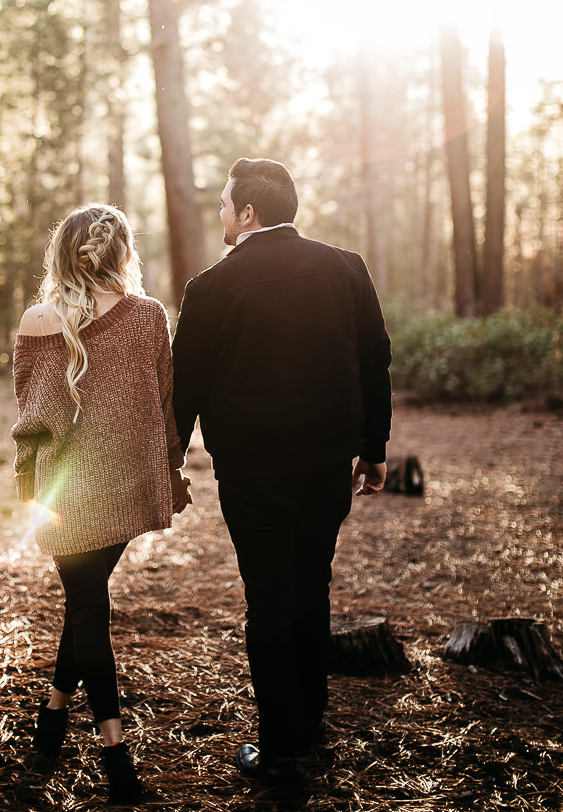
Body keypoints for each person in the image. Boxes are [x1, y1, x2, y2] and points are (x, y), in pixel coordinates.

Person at [172, 158, 392, 786]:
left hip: (252, 475)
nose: (219, 216)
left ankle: (279, 749)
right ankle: (311, 725)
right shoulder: (346, 268)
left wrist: (169, 462)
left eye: (223, 204)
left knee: (269, 600)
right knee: (311, 589)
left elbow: (186, 386)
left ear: (248, 213)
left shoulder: (210, 287)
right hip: (327, 467)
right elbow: (375, 361)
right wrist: (374, 449)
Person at [11, 204, 192, 804]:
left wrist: (27, 488)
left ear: (62, 252)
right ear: (123, 253)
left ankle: (83, 745)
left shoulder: (40, 319)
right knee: (87, 605)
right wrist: (171, 471)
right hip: (124, 486)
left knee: (85, 604)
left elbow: (33, 420)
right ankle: (83, 740)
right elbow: (165, 404)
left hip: (64, 494)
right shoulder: (148, 317)